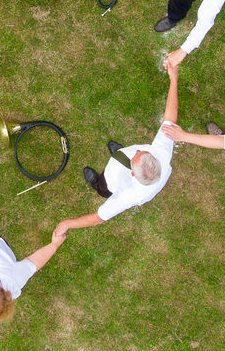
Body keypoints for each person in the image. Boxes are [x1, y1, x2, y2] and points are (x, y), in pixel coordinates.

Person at [54, 61, 180, 236]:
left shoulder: (128, 195)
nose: (136, 151)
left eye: (135, 156)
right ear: (152, 158)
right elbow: (171, 118)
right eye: (141, 153)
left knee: (105, 186)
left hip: (111, 182)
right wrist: (174, 79)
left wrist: (68, 223)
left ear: (133, 174)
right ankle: (119, 154)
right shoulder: (162, 152)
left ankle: (98, 184)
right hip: (143, 168)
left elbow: (99, 217)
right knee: (124, 153)